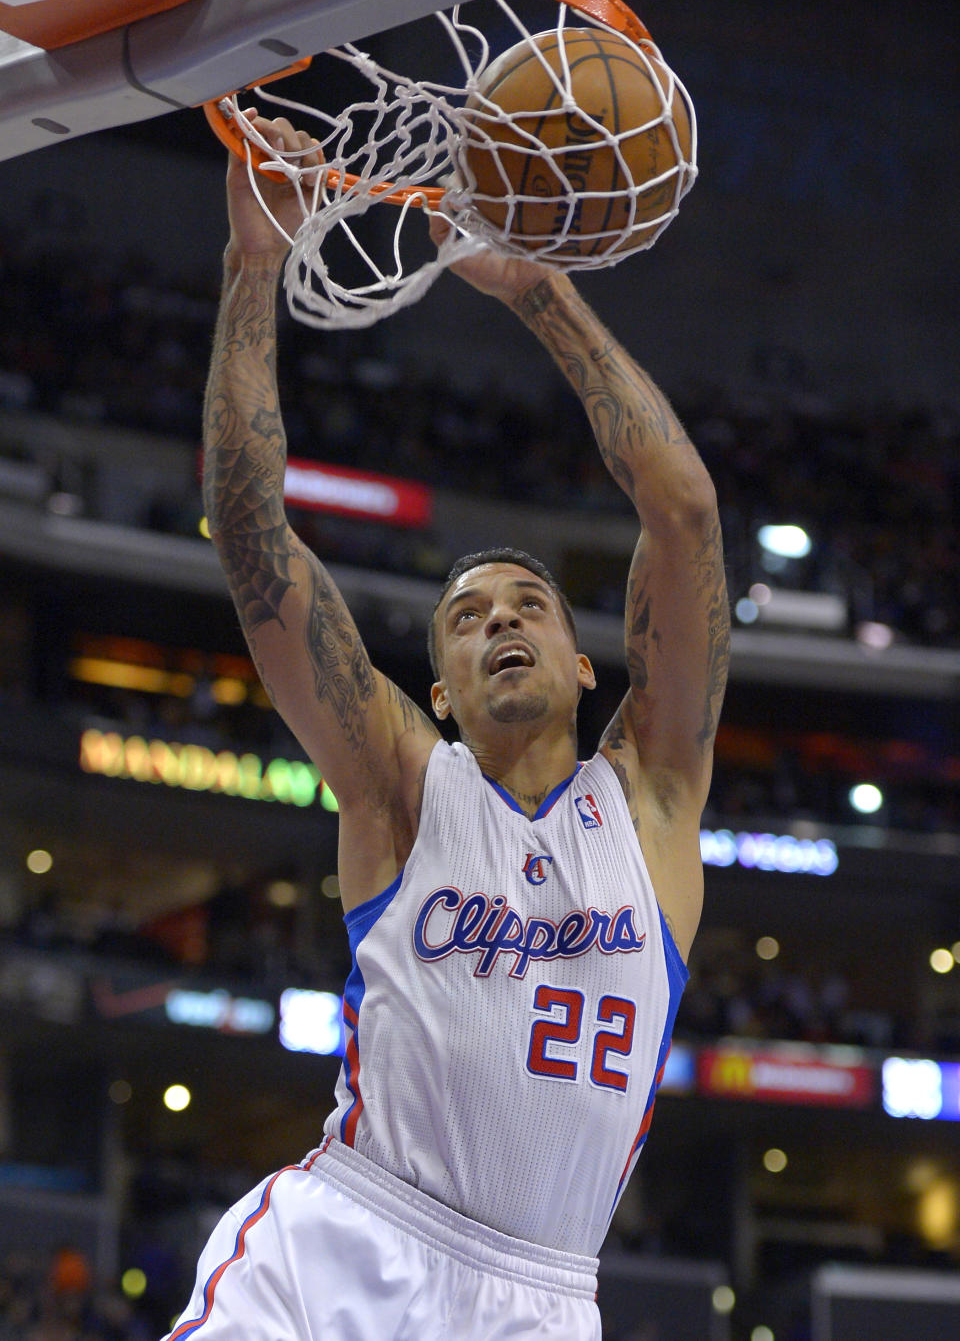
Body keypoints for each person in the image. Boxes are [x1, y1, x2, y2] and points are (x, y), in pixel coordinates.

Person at [166, 117, 730, 1340]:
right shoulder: (405, 785)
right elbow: (253, 535)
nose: (500, 622)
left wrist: (541, 293)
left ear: (588, 666)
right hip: (349, 1244)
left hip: (540, 1296)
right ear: (441, 693)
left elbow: (681, 512)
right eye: (467, 618)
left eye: (529, 603)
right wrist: (252, 264)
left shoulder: (654, 801)